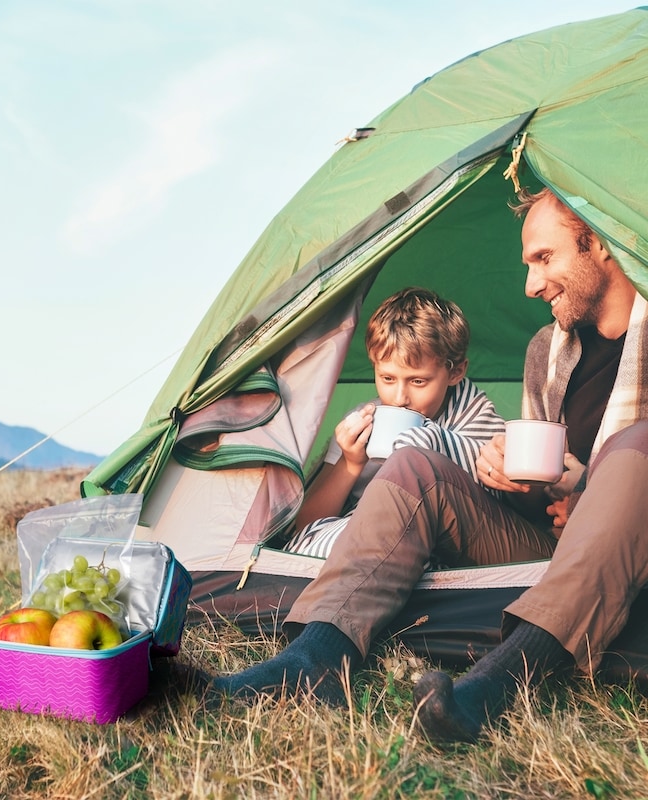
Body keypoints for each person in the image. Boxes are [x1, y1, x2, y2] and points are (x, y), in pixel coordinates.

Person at [204, 187, 648, 745]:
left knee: (642, 444)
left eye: (544, 259)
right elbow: (540, 497)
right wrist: (513, 481)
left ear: (601, 244)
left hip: (629, 550)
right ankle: (315, 660)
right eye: (528, 264)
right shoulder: (547, 351)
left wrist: (587, 484)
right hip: (547, 545)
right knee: (414, 463)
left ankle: (501, 685)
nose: (530, 285)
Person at [284, 287, 504, 559]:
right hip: (366, 536)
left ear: (455, 371)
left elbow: (496, 516)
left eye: (418, 381)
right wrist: (350, 463)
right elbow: (306, 523)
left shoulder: (477, 420)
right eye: (387, 378)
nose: (399, 398)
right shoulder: (363, 422)